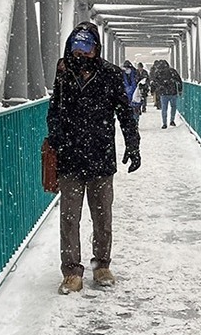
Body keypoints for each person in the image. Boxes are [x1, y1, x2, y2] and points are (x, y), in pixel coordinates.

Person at [47, 24, 141, 294]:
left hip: (100, 155)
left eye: (87, 48)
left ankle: (102, 265)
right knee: (69, 217)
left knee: (102, 216)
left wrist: (133, 145)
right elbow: (54, 110)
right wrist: (56, 138)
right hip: (70, 157)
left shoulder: (110, 74)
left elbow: (124, 112)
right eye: (77, 48)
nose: (81, 54)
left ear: (96, 48)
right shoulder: (63, 72)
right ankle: (71, 271)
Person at [150, 59, 183, 128]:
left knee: (164, 108)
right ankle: (172, 120)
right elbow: (179, 80)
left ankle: (164, 123)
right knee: (173, 107)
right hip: (173, 92)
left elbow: (154, 82)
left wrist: (153, 90)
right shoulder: (172, 71)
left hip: (163, 93)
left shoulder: (158, 72)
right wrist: (180, 90)